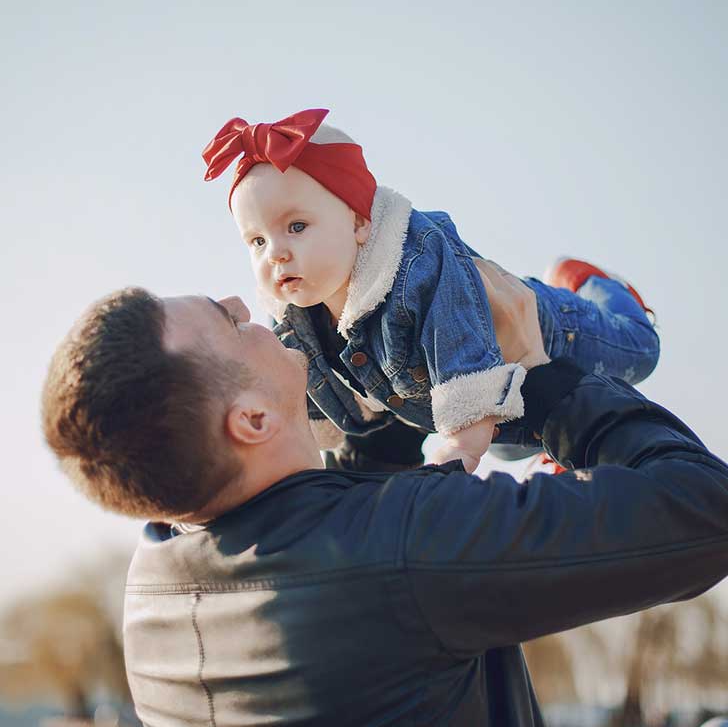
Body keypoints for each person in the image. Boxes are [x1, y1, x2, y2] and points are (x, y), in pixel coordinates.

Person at [42, 263, 728, 727]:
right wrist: (541, 373)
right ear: (251, 421)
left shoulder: (153, 593)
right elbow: (703, 511)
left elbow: (332, 552)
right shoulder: (406, 550)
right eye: (225, 322)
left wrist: (375, 400)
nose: (243, 304)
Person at [202, 107, 660, 472]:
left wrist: (458, 447)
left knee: (641, 350)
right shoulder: (291, 321)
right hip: (493, 404)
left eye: (297, 226)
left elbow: (464, 368)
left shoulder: (418, 264)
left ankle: (596, 284)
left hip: (554, 329)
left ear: (360, 222)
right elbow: (303, 403)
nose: (275, 253)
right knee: (507, 445)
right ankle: (557, 451)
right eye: (257, 241)